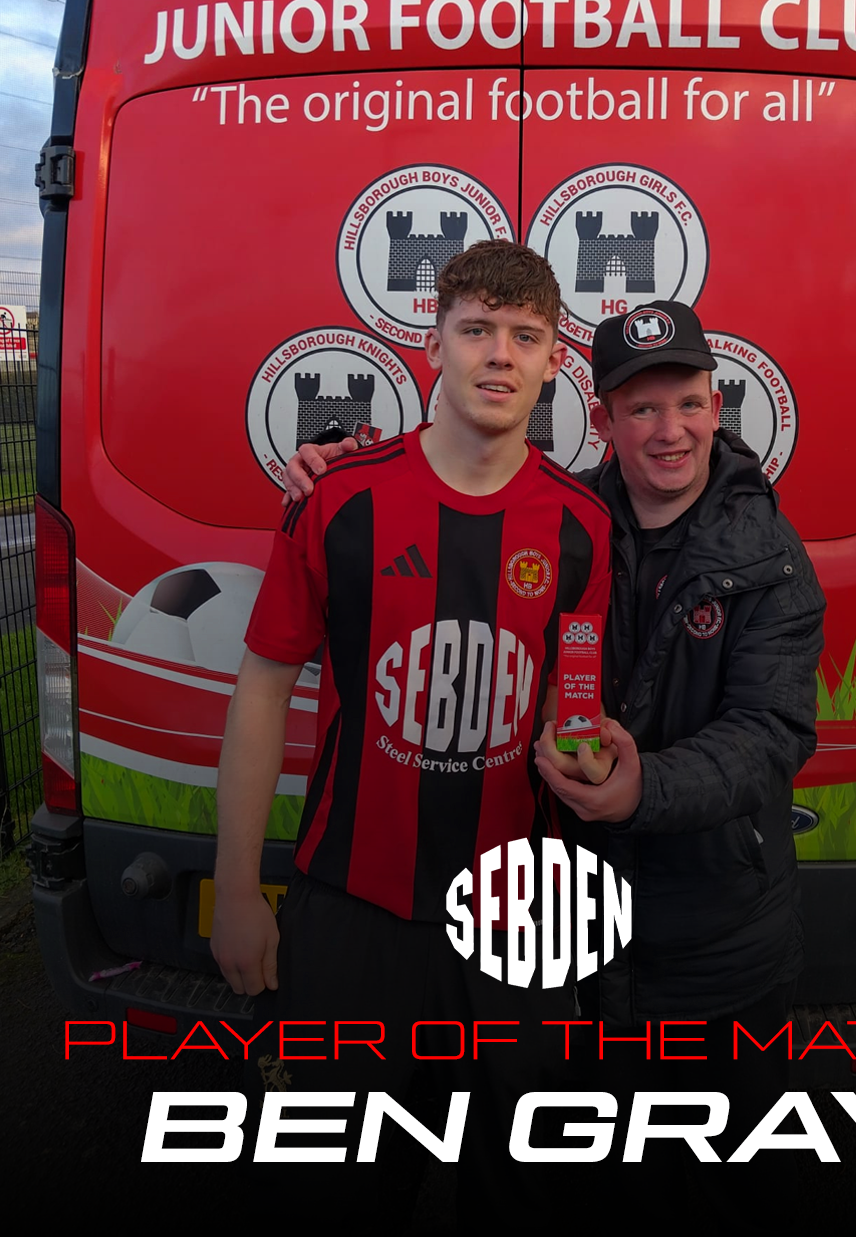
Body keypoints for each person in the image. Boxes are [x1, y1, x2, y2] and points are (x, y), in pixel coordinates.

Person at [284, 298, 825, 1187]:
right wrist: (331, 462)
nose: (668, 431)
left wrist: (645, 786)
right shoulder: (568, 515)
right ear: (603, 418)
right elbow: (451, 487)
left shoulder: (768, 554)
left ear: (717, 407)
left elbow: (772, 731)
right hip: (566, 935)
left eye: (687, 402)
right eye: (641, 408)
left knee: (719, 1183)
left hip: (715, 939)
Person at [212, 240, 611, 1216]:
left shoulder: (579, 526)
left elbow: (577, 705)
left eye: (525, 336)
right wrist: (234, 890)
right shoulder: (339, 500)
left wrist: (588, 746)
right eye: (476, 330)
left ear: (557, 358)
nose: (500, 355)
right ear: (433, 344)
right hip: (352, 914)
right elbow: (262, 690)